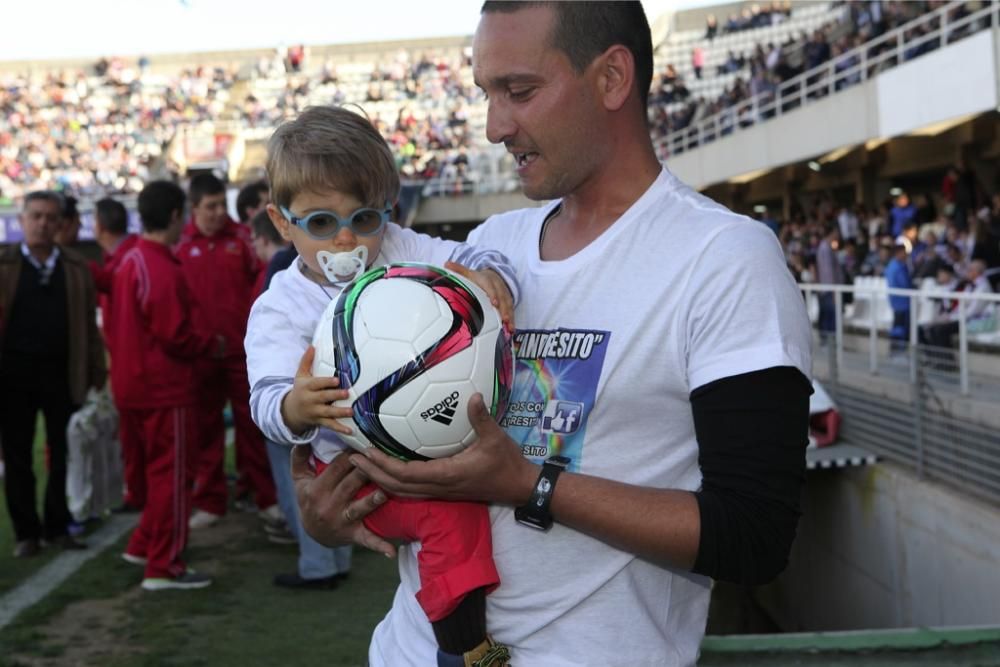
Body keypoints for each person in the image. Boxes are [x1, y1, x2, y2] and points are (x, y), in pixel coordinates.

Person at [292, 4, 813, 666]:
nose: (493, 126)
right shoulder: (489, 249)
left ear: (612, 78)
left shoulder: (725, 258)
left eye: (520, 90)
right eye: (486, 92)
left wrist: (529, 482)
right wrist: (329, 502)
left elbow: (755, 535)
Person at [245, 105, 518, 664]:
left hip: (422, 440)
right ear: (281, 222)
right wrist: (297, 407)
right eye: (321, 223)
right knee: (451, 513)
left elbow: (473, 256)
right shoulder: (279, 307)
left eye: (364, 219)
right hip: (350, 469)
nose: (347, 240)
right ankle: (464, 650)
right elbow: (265, 401)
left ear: (387, 215)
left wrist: (493, 276)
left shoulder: (401, 249)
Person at [109, 180, 224, 590]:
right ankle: (164, 565)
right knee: (173, 477)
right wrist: (213, 344)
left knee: (156, 476)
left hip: (132, 386)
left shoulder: (131, 259)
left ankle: (143, 543)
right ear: (176, 215)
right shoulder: (157, 265)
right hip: (164, 389)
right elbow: (176, 334)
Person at [0, 191, 106, 557]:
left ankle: (58, 526)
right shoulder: (5, 263)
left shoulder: (75, 268)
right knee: (17, 457)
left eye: (49, 217)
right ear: (23, 220)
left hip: (63, 373)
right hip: (12, 377)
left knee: (63, 453)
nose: (43, 223)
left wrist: (96, 370)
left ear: (60, 223)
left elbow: (90, 331)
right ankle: (26, 533)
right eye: (36, 216)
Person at [176, 173, 277, 529]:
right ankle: (211, 501)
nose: (219, 212)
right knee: (206, 433)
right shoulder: (179, 246)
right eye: (210, 206)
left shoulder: (242, 240)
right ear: (194, 208)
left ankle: (266, 496)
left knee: (254, 428)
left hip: (241, 355)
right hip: (201, 357)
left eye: (222, 204)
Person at [89, 197, 144, 512]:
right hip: (128, 362)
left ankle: (140, 494)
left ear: (99, 226)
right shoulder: (126, 257)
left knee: (139, 436)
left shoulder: (128, 261)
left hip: (136, 366)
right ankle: (137, 492)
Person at [885, 243, 913, 353]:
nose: (906, 254)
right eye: (904, 252)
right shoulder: (899, 266)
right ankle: (898, 351)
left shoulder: (892, 265)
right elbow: (905, 284)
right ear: (898, 253)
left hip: (896, 302)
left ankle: (895, 350)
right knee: (900, 327)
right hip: (902, 302)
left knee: (898, 325)